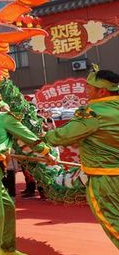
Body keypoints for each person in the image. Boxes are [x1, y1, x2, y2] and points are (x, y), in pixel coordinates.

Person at [44, 67, 119, 249]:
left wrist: (45, 136)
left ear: (102, 90)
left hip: (106, 178)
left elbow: (62, 136)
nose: (87, 91)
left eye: (89, 87)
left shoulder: (92, 112)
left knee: (112, 220)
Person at [0, 101, 55, 255]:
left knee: (7, 206)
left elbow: (19, 141)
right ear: (3, 108)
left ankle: (6, 248)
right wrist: (47, 153)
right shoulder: (3, 116)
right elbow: (27, 136)